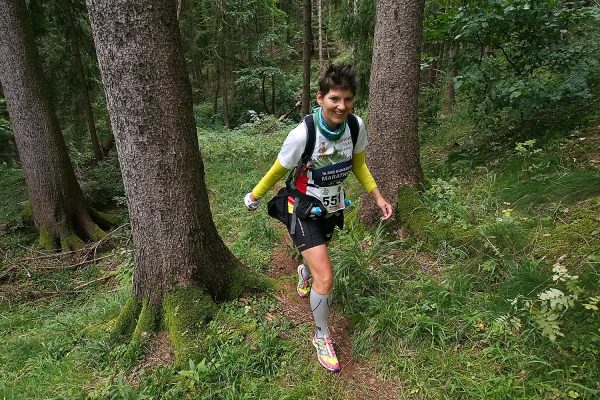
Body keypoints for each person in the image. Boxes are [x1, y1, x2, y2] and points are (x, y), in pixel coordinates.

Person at [244, 64, 392, 373]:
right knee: (326, 276)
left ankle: (303, 271)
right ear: (320, 97)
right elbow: (278, 170)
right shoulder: (303, 134)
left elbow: (359, 166)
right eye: (335, 99)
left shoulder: (356, 127)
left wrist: (378, 198)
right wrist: (255, 196)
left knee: (316, 260)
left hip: (332, 208)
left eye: (348, 99)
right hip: (301, 208)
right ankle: (321, 335)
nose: (342, 106)